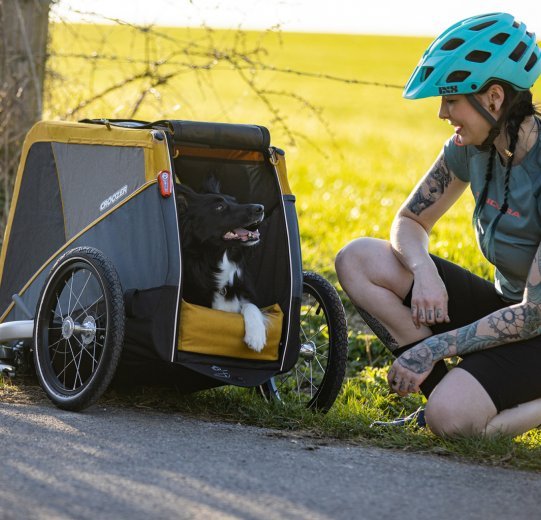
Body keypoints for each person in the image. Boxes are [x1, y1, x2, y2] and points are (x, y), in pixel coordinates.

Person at [335, 12, 541, 437]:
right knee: (359, 259)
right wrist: (423, 272)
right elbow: (410, 220)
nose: (443, 114)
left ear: (495, 99)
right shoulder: (470, 149)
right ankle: (451, 398)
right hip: (508, 310)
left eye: (451, 100)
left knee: (451, 422)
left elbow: (533, 317)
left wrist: (431, 346)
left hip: (536, 324)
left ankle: (456, 409)